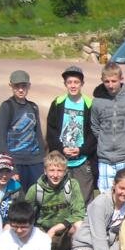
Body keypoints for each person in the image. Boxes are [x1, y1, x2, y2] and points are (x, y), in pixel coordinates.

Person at [45, 65, 96, 204]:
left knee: (83, 198)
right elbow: (51, 130)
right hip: (62, 160)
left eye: (76, 82)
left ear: (82, 84)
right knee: (61, 198)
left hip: (82, 160)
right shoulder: (58, 103)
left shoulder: (89, 104)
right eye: (69, 82)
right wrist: (61, 149)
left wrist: (82, 149)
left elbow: (93, 132)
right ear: (65, 84)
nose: (73, 86)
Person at [90, 61, 125, 192]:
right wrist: (104, 141)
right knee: (106, 195)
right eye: (107, 81)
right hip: (105, 158)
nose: (110, 85)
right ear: (102, 80)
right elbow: (95, 126)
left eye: (114, 81)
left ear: (121, 79)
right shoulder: (97, 102)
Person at [23, 150, 86, 250]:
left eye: (59, 171)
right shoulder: (35, 190)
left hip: (65, 230)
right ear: (45, 171)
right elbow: (25, 215)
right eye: (51, 170)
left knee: (80, 224)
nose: (55, 175)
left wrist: (55, 229)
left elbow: (79, 214)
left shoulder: (72, 185)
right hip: (44, 231)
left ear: (65, 171)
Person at [0, 69, 45, 191]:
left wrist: (42, 159)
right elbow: (1, 137)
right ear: (11, 86)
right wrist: (10, 166)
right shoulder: (7, 106)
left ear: (29, 86)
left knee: (37, 195)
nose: (21, 90)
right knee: (17, 196)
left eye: (24, 86)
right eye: (17, 86)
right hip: (15, 159)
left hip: (35, 161)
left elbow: (38, 134)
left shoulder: (33, 106)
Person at [0, 153, 22, 223]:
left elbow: (22, 211)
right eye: (0, 171)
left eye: (8, 171)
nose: (4, 175)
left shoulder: (16, 187)